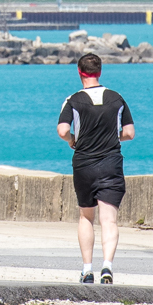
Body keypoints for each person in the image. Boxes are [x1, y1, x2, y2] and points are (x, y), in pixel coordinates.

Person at [57, 51, 133, 285]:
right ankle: (107, 267)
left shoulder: (73, 100)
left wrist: (73, 139)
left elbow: (62, 131)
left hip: (84, 164)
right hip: (111, 162)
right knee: (109, 220)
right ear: (99, 72)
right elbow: (129, 133)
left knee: (86, 217)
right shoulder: (117, 98)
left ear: (80, 73)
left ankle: (87, 269)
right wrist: (112, 136)